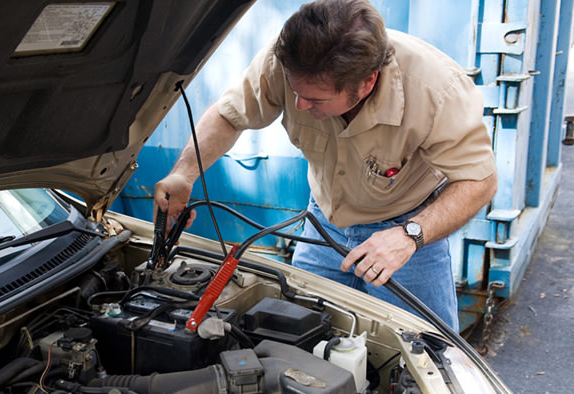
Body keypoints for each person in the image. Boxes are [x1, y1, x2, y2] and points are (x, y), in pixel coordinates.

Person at [153, 0, 497, 332]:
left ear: (367, 83)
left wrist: (409, 236)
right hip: (324, 226)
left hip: (405, 231)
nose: (299, 106)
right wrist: (185, 173)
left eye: (316, 99)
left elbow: (479, 181)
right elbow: (229, 115)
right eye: (294, 91)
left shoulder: (436, 89)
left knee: (430, 354)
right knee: (298, 335)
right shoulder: (286, 60)